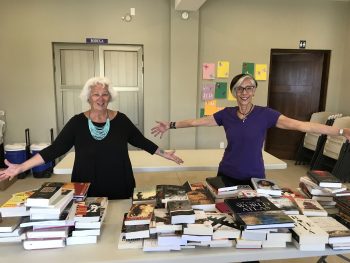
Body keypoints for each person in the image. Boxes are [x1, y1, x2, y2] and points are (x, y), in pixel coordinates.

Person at [151, 73, 350, 188]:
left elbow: (301, 125)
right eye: (240, 89)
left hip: (254, 175)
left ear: (254, 91)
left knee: (251, 221)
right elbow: (197, 122)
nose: (245, 92)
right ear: (234, 92)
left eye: (249, 88)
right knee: (226, 217)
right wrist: (170, 125)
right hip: (227, 172)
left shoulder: (266, 115)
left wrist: (340, 132)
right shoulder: (226, 114)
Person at [0, 77, 183, 199]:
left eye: (104, 94)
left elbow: (140, 141)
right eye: (96, 94)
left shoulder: (121, 120)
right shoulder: (77, 123)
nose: (100, 98)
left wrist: (163, 153)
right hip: (86, 185)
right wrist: (21, 167)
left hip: (119, 182)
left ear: (110, 97)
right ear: (88, 97)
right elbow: (55, 150)